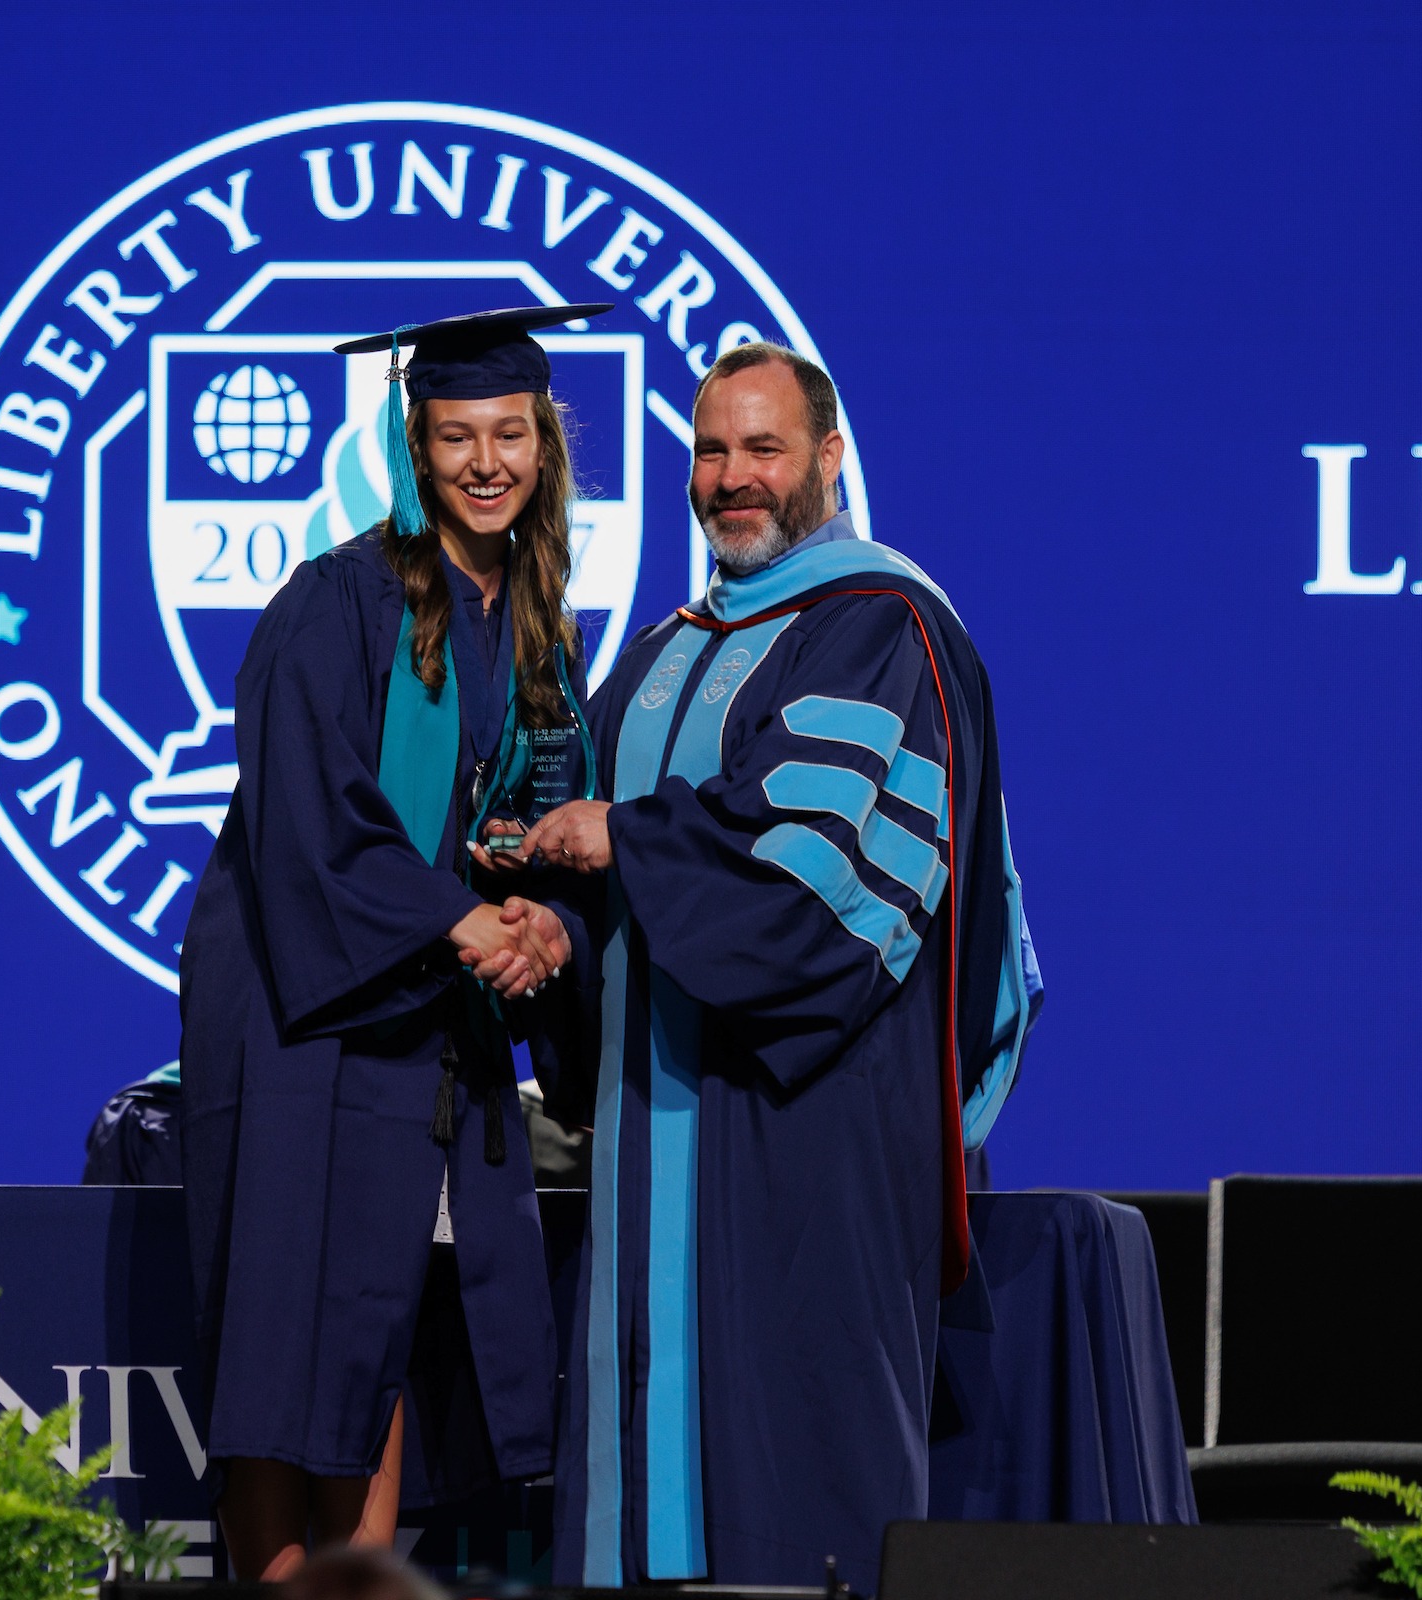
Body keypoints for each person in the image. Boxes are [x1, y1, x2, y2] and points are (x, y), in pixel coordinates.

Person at [509, 344, 1044, 1591]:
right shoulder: (655, 654)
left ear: (832, 460)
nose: (732, 479)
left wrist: (624, 839)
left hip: (804, 1139)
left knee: (797, 1499)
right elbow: (606, 878)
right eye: (710, 451)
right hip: (651, 1154)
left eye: (764, 448)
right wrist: (554, 924)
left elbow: (814, 880)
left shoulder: (881, 629)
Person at [177, 304, 612, 1580]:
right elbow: (310, 819)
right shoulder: (337, 602)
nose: (487, 461)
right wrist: (462, 917)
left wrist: (547, 922)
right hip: (309, 1033)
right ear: (413, 447)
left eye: (512, 434)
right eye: (457, 434)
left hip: (435, 1039)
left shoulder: (540, 633)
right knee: (287, 1350)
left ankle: (358, 1585)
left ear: (546, 448)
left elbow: (549, 817)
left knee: (379, 1339)